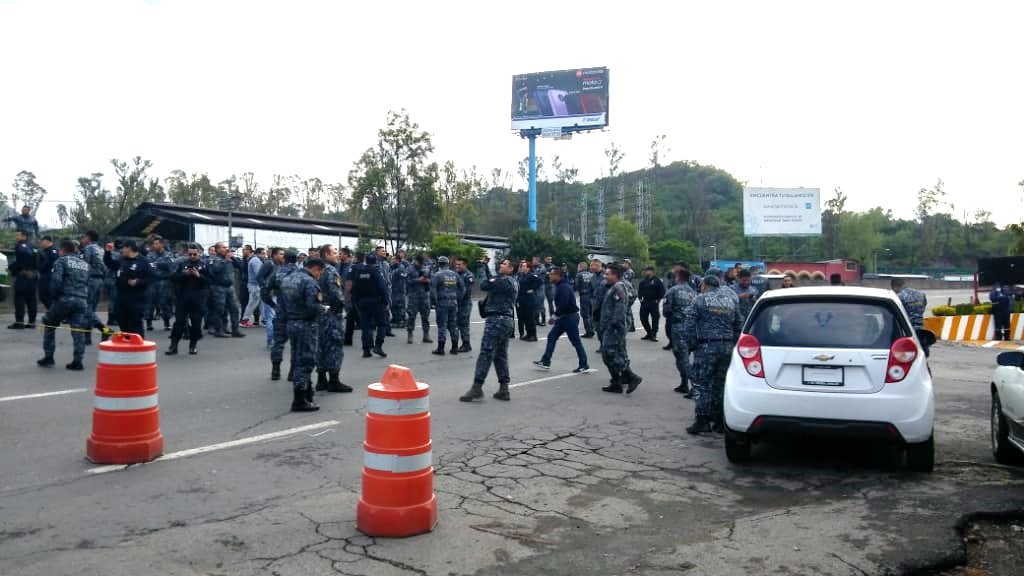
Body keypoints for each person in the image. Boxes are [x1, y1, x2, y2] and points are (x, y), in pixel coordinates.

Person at [682, 274, 743, 434]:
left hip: (707, 346)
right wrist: (733, 344)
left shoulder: (700, 299)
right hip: (727, 346)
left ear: (704, 285)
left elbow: (689, 323)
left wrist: (691, 344)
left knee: (702, 383)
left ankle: (702, 420)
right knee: (721, 383)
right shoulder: (731, 300)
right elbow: (738, 323)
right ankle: (720, 420)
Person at [460, 258, 518, 402]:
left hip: (497, 320)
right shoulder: (512, 281)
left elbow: (483, 284)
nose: (501, 265)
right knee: (500, 355)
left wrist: (481, 268)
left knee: (486, 353)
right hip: (506, 320)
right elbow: (491, 280)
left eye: (504, 264)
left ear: (511, 269)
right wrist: (486, 267)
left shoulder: (504, 281)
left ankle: (477, 387)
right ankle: (504, 388)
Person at [281, 258, 326, 412]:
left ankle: (307, 393)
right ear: (316, 268)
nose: (320, 275)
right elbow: (312, 306)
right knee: (306, 361)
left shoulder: (288, 279)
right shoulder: (310, 282)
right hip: (306, 325)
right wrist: (323, 309)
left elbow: (280, 303)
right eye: (320, 272)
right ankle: (299, 399)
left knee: (297, 358)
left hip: (291, 323)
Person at [37, 240, 91, 370]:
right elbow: (87, 282)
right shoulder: (85, 264)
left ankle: (49, 357)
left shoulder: (61, 261)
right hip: (82, 300)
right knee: (78, 329)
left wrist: (54, 297)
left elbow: (56, 281)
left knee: (49, 323)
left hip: (65, 299)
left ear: (62, 250)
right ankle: (78, 360)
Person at [533, 267, 589, 373]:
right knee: (552, 336)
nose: (549, 276)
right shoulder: (560, 286)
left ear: (558, 276)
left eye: (551, 274)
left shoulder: (563, 287)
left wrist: (554, 316)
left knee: (575, 341)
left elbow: (564, 303)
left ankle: (584, 364)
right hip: (563, 317)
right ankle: (545, 361)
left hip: (570, 317)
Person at [599, 264, 642, 393]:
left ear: (615, 275)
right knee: (609, 354)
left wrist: (614, 325)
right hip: (609, 326)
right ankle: (616, 382)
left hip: (614, 327)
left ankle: (631, 377)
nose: (605, 276)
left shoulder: (618, 287)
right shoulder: (613, 287)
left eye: (608, 274)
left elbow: (620, 308)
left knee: (610, 353)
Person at [314, 244, 351, 393]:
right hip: (331, 314)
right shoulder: (330, 270)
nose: (337, 255)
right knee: (334, 346)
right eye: (334, 252)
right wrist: (343, 307)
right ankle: (334, 381)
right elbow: (336, 294)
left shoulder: (316, 269)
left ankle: (321, 379)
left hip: (319, 312)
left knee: (321, 346)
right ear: (327, 254)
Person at [166, 244, 210, 356]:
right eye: (190, 254)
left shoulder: (204, 264)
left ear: (199, 253)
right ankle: (173, 346)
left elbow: (209, 281)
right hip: (183, 297)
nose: (192, 256)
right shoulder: (181, 263)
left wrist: (198, 275)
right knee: (179, 322)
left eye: (194, 254)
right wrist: (183, 274)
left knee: (196, 323)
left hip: (198, 298)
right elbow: (172, 278)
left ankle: (193, 346)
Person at [263, 250, 298, 382]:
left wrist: (273, 305)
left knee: (278, 342)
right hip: (296, 313)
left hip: (281, 311)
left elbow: (264, 291)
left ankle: (275, 370)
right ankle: (292, 372)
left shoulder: (277, 273)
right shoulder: (301, 273)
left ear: (285, 259)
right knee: (296, 344)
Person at [665, 268, 699, 396]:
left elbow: (666, 311)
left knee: (681, 357)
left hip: (678, 327)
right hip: (692, 328)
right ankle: (684, 384)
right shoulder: (694, 293)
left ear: (678, 277)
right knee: (686, 356)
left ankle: (693, 386)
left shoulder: (673, 290)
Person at [349, 253, 389, 358]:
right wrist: (386, 301)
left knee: (366, 326)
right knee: (381, 324)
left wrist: (356, 301)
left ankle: (366, 350)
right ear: (375, 261)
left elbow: (354, 288)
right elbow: (382, 287)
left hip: (363, 302)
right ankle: (378, 346)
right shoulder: (376, 272)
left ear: (366, 261)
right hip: (376, 302)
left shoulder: (359, 272)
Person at [111, 240, 151, 337]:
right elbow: (110, 264)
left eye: (123, 248)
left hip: (136, 297)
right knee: (120, 318)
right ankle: (127, 340)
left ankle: (138, 343)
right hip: (121, 295)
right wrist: (107, 253)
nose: (122, 250)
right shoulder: (122, 259)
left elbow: (150, 278)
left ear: (129, 248)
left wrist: (138, 281)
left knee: (135, 324)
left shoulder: (144, 261)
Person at [207, 242, 245, 339]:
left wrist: (232, 258)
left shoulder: (229, 258)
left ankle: (235, 330)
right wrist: (225, 260)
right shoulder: (213, 259)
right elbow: (214, 270)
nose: (226, 249)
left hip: (230, 287)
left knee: (235, 309)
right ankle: (218, 330)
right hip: (218, 287)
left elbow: (241, 266)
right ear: (218, 250)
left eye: (226, 247)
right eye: (223, 247)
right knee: (219, 310)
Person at [430, 256, 464, 355]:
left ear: (439, 264)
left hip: (442, 303)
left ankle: (441, 348)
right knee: (453, 325)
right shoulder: (455, 274)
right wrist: (458, 299)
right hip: (453, 303)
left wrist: (435, 302)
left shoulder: (437, 275)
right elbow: (462, 288)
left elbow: (433, 291)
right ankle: (454, 348)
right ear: (447, 264)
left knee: (442, 325)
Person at [8, 229, 39, 329]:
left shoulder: (20, 246)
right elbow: (40, 259)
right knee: (31, 299)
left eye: (18, 235)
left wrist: (14, 268)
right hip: (33, 276)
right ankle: (32, 322)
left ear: (24, 236)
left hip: (23, 275)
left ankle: (19, 322)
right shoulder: (34, 246)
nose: (16, 237)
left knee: (19, 298)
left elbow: (21, 259)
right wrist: (34, 271)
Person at [144, 236, 174, 332]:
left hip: (164, 281)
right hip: (152, 281)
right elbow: (147, 265)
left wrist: (157, 264)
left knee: (164, 302)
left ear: (162, 244)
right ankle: (149, 323)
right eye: (154, 244)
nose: (155, 245)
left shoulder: (168, 254)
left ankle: (167, 323)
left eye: (157, 243)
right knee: (149, 302)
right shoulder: (150, 254)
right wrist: (159, 264)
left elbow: (170, 265)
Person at [256, 247, 283, 348]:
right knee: (270, 318)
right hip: (270, 295)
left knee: (277, 318)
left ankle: (276, 339)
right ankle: (270, 341)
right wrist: (267, 288)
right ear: (274, 255)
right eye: (280, 254)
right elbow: (259, 277)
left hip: (279, 294)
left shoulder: (281, 264)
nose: (282, 256)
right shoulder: (269, 263)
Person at [406, 254, 433, 344]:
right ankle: (410, 334)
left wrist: (428, 281)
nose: (421, 264)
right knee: (411, 316)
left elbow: (432, 279)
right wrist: (418, 280)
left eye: (422, 263)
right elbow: (407, 281)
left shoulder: (426, 268)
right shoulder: (410, 269)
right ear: (415, 261)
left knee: (425, 317)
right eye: (419, 262)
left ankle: (426, 335)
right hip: (413, 296)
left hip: (425, 296)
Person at [638, 266, 666, 342]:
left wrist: (658, 300)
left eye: (647, 271)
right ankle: (649, 332)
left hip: (653, 302)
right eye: (646, 271)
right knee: (643, 318)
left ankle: (653, 335)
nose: (646, 272)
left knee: (655, 319)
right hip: (645, 302)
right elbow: (640, 290)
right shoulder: (643, 281)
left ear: (652, 272)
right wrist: (640, 298)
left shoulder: (657, 281)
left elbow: (662, 291)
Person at [454, 257, 475, 353]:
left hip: (465, 303)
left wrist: (456, 298)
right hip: (456, 303)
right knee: (455, 324)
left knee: (464, 324)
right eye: (456, 264)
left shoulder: (469, 275)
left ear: (465, 265)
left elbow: (466, 291)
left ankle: (466, 344)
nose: (457, 266)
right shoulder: (456, 274)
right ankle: (457, 344)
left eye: (459, 264)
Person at [516, 261, 540, 342]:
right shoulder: (522, 275)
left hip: (529, 299)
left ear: (528, 268)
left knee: (530, 318)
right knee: (525, 318)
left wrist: (533, 289)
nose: (522, 267)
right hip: (522, 299)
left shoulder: (532, 275)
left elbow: (539, 281)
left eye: (524, 266)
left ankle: (533, 335)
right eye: (522, 266)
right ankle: (528, 334)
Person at [241, 247, 264, 328]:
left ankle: (265, 320)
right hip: (255, 285)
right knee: (252, 303)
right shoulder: (255, 261)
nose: (264, 255)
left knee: (261, 303)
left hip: (256, 285)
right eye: (263, 253)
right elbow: (258, 274)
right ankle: (244, 321)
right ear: (258, 253)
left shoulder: (256, 260)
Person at [589, 260, 608, 350]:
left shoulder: (605, 276)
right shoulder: (592, 277)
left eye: (592, 266)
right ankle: (602, 344)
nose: (591, 267)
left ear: (597, 266)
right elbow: (590, 290)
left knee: (605, 327)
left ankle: (606, 345)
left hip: (605, 306)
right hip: (595, 306)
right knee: (597, 327)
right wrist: (591, 302)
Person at [36, 235, 59, 310]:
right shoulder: (43, 251)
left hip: (51, 276)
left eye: (42, 241)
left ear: (47, 241)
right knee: (43, 296)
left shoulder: (53, 251)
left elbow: (51, 262)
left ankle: (53, 312)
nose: (41, 243)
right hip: (44, 276)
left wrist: (43, 265)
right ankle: (52, 311)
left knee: (47, 295)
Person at [575, 262, 596, 338]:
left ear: (580, 267)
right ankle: (592, 328)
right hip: (592, 296)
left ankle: (589, 332)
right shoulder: (592, 274)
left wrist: (578, 291)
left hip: (584, 295)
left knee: (585, 314)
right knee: (591, 313)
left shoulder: (579, 275)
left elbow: (576, 285)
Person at [390, 254, 409, 331]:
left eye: (393, 259)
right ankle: (396, 319)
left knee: (400, 306)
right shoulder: (394, 267)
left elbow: (402, 281)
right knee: (394, 306)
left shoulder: (401, 268)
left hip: (399, 291)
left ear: (397, 260)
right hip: (394, 290)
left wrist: (400, 291)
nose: (391, 260)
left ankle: (401, 321)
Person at [621, 259, 637, 332]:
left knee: (627, 309)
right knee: (627, 309)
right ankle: (630, 326)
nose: (623, 264)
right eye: (623, 263)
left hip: (630, 291)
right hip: (627, 291)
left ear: (629, 265)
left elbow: (626, 280)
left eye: (625, 263)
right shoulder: (624, 272)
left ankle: (630, 325)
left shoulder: (629, 272)